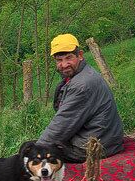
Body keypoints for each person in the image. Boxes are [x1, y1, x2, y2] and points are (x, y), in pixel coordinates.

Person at [37, 33, 124, 162]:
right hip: (103, 138)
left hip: (94, 146)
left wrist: (36, 150)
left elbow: (61, 124)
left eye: (69, 58)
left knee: (40, 156)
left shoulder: (82, 85)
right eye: (59, 60)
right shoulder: (80, 75)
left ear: (80, 55)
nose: (64, 64)